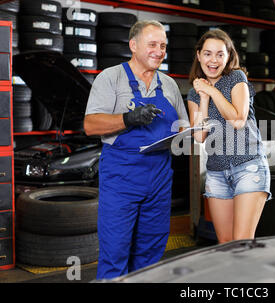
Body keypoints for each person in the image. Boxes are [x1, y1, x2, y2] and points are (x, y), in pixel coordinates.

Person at [83, 20, 189, 280]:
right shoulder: (111, 77)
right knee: (115, 251)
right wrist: (129, 118)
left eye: (163, 45)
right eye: (152, 44)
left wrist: (187, 132)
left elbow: (182, 126)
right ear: (133, 45)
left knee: (151, 253)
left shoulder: (170, 85)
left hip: (160, 177)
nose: (159, 51)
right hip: (122, 177)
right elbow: (90, 124)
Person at [187, 29, 271, 244]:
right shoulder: (195, 91)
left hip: (248, 167)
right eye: (207, 53)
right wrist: (204, 98)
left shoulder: (236, 78)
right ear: (198, 55)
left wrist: (213, 91)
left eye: (219, 54)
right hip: (216, 173)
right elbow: (199, 135)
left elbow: (237, 120)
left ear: (228, 57)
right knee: (226, 245)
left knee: (242, 242)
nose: (213, 60)